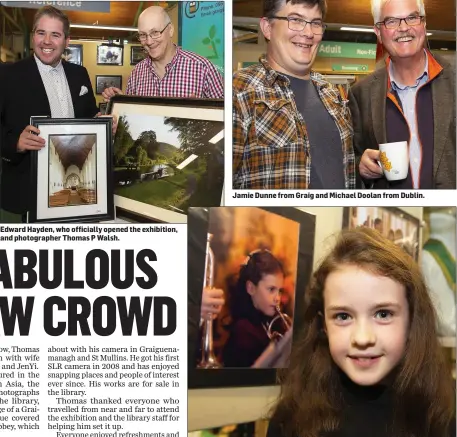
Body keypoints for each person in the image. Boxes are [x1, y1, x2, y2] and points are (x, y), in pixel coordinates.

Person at [266, 227, 455, 437]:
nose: (363, 338)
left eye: (383, 314)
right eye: (343, 317)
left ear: (412, 320)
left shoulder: (447, 411)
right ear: (323, 326)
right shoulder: (291, 419)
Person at [232, 0, 356, 190]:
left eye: (315, 23)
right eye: (296, 20)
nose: (308, 33)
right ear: (267, 28)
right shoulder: (239, 92)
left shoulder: (332, 94)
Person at [0, 6, 105, 220]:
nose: (46, 41)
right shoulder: (9, 75)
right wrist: (15, 143)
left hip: (78, 185)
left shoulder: (79, 74)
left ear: (67, 41)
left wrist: (103, 123)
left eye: (55, 35)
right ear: (33, 36)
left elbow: (90, 116)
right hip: (27, 191)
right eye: (41, 33)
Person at [348, 0, 456, 189]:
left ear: (423, 24)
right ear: (378, 32)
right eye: (391, 21)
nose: (404, 28)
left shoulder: (453, 80)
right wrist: (360, 167)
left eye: (412, 18)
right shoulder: (361, 94)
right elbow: (353, 158)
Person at [102, 6, 224, 101]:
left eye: (155, 32)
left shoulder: (202, 68)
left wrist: (202, 113)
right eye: (143, 35)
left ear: (170, 30)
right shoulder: (137, 73)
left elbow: (227, 117)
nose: (149, 41)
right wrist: (121, 102)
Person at [222, 249, 290, 368]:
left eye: (280, 291)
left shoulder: (273, 322)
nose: (277, 298)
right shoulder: (242, 330)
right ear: (251, 288)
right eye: (271, 290)